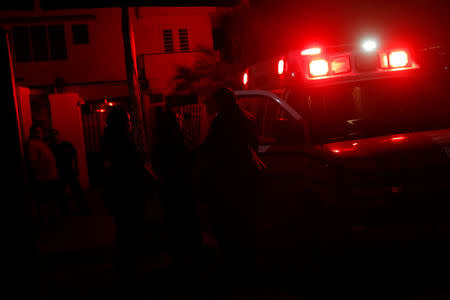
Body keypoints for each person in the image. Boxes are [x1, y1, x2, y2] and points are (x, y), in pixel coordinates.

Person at [194, 87, 265, 290]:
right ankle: (248, 269)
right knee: (245, 227)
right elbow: (253, 147)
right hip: (244, 180)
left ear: (224, 102)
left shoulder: (224, 121)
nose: (212, 106)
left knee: (229, 228)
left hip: (229, 182)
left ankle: (236, 271)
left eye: (216, 101)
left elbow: (213, 148)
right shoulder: (245, 118)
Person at [102, 108, 155, 296]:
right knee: (129, 234)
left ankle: (125, 272)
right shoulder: (122, 144)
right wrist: (155, 183)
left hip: (118, 197)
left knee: (125, 233)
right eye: (128, 121)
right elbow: (136, 168)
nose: (131, 124)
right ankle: (128, 276)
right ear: (122, 124)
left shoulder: (109, 142)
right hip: (127, 197)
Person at [152, 106, 203, 292]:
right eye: (177, 119)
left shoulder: (162, 142)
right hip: (180, 191)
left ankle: (183, 266)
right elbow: (185, 163)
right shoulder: (173, 143)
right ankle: (188, 270)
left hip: (173, 193)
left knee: (178, 231)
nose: (180, 121)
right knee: (185, 229)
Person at [24, 124, 61, 222]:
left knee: (51, 199)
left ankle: (52, 217)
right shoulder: (32, 144)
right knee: (44, 200)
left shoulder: (42, 143)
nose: (39, 134)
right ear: (32, 133)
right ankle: (46, 219)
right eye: (37, 132)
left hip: (51, 176)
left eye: (40, 131)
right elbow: (32, 162)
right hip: (43, 178)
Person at [48, 129, 89, 215]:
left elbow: (74, 156)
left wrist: (76, 167)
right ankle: (65, 210)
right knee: (61, 193)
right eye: (52, 135)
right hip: (59, 172)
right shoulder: (50, 147)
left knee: (76, 190)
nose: (54, 136)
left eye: (55, 134)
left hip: (70, 170)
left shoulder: (66, 144)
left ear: (59, 135)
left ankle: (83, 208)